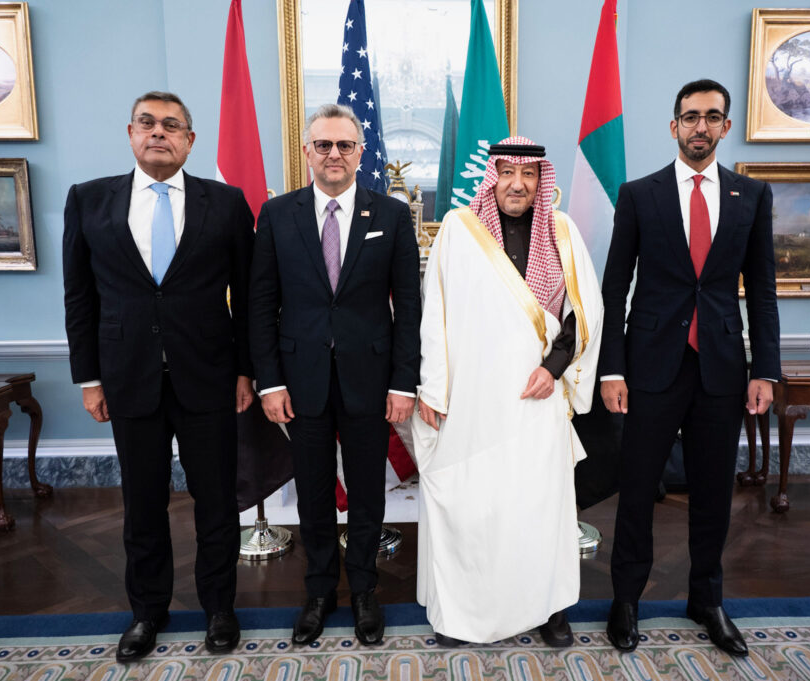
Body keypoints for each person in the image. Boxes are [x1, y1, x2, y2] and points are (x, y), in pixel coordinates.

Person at [63, 91, 255, 662]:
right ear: (130, 133)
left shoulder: (226, 203)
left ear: (189, 141)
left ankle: (219, 608)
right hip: (128, 378)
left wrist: (247, 370)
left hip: (210, 378)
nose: (158, 133)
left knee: (216, 502)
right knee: (142, 504)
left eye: (171, 126)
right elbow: (79, 297)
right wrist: (88, 378)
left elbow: (248, 298)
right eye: (147, 123)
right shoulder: (89, 199)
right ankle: (147, 612)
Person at [599, 79, 780, 657]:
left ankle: (707, 599)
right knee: (636, 488)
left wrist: (766, 370)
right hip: (649, 367)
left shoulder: (752, 196)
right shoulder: (638, 194)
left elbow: (764, 291)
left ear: (725, 126)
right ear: (674, 125)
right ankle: (626, 599)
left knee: (713, 491)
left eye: (712, 116)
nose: (701, 126)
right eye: (691, 116)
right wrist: (611, 369)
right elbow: (613, 289)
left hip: (722, 368)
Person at [414, 137, 603, 646]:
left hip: (537, 397)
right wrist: (433, 390)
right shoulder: (459, 229)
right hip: (472, 397)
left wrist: (554, 368)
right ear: (492, 176)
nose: (517, 184)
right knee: (473, 504)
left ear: (541, 180)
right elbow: (436, 314)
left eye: (529, 174)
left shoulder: (561, 231)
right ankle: (464, 612)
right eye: (507, 173)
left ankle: (548, 608)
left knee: (540, 506)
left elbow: (585, 311)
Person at [249, 103, 421, 646]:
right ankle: (319, 591)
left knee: (368, 492)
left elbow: (409, 307)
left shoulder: (390, 214)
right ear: (307, 151)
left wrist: (403, 382)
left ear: (360, 152)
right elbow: (261, 303)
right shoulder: (277, 215)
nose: (334, 154)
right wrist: (270, 382)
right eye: (323, 144)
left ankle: (365, 589)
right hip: (300, 384)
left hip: (371, 381)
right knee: (314, 494)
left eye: (344, 145)